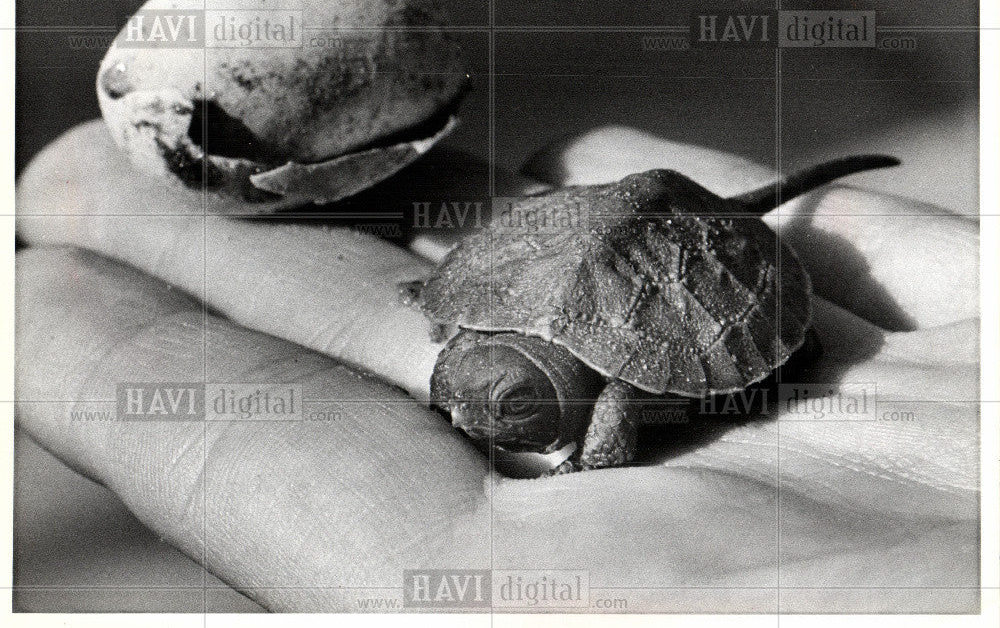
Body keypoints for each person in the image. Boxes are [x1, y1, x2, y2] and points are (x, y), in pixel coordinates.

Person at [14, 122, 979, 612]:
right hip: (567, 246)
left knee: (783, 349)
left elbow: (606, 413)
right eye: (470, 400)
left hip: (684, 253)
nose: (476, 420)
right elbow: (462, 330)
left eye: (502, 409)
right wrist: (448, 316)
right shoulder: (467, 326)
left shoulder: (609, 395)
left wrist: (594, 461)